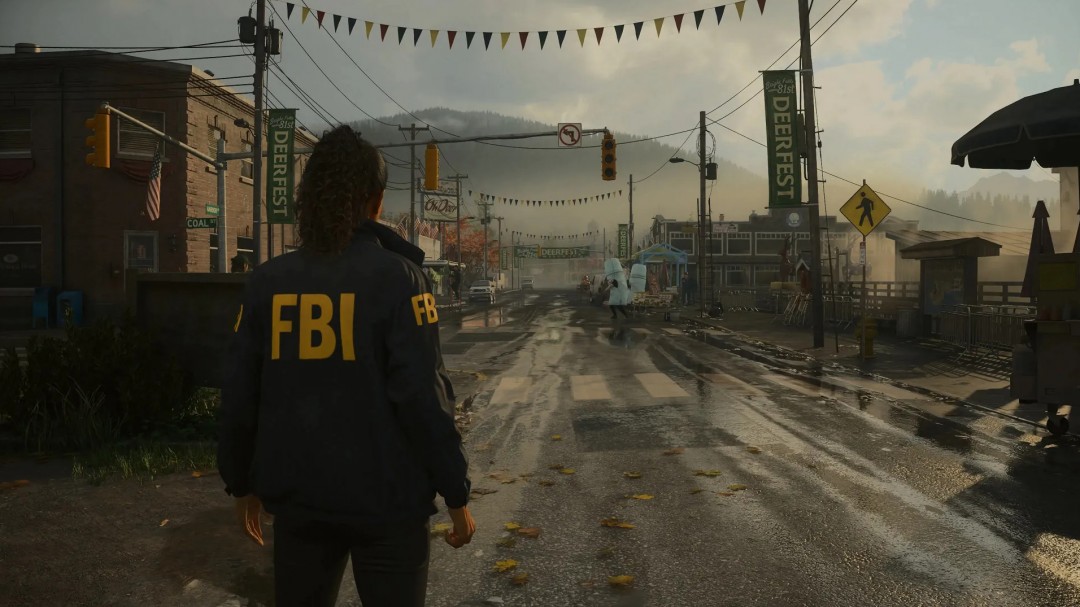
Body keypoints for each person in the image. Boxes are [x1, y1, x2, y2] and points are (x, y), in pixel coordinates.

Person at [218, 125, 475, 607]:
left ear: (310, 197)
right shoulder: (401, 279)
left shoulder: (267, 283)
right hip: (389, 504)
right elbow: (423, 397)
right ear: (375, 202)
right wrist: (455, 491)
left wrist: (240, 482)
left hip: (301, 502)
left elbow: (239, 394)